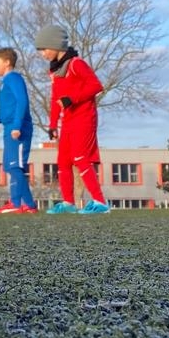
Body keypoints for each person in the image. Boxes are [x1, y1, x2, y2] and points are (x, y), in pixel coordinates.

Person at [36, 25, 110, 215]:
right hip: (67, 121)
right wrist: (52, 124)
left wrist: (72, 98)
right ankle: (68, 203)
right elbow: (55, 99)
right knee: (63, 161)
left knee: (80, 158)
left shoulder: (76, 64)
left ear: (55, 45)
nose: (42, 54)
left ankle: (100, 202)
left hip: (84, 118)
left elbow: (96, 85)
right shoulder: (54, 71)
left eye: (44, 49)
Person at [0, 48, 38, 214]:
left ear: (7, 62)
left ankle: (20, 204)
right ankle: (22, 204)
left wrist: (17, 126)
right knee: (10, 167)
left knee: (15, 166)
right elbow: (9, 108)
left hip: (19, 128)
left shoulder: (14, 78)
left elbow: (22, 101)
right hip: (9, 128)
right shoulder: (5, 82)